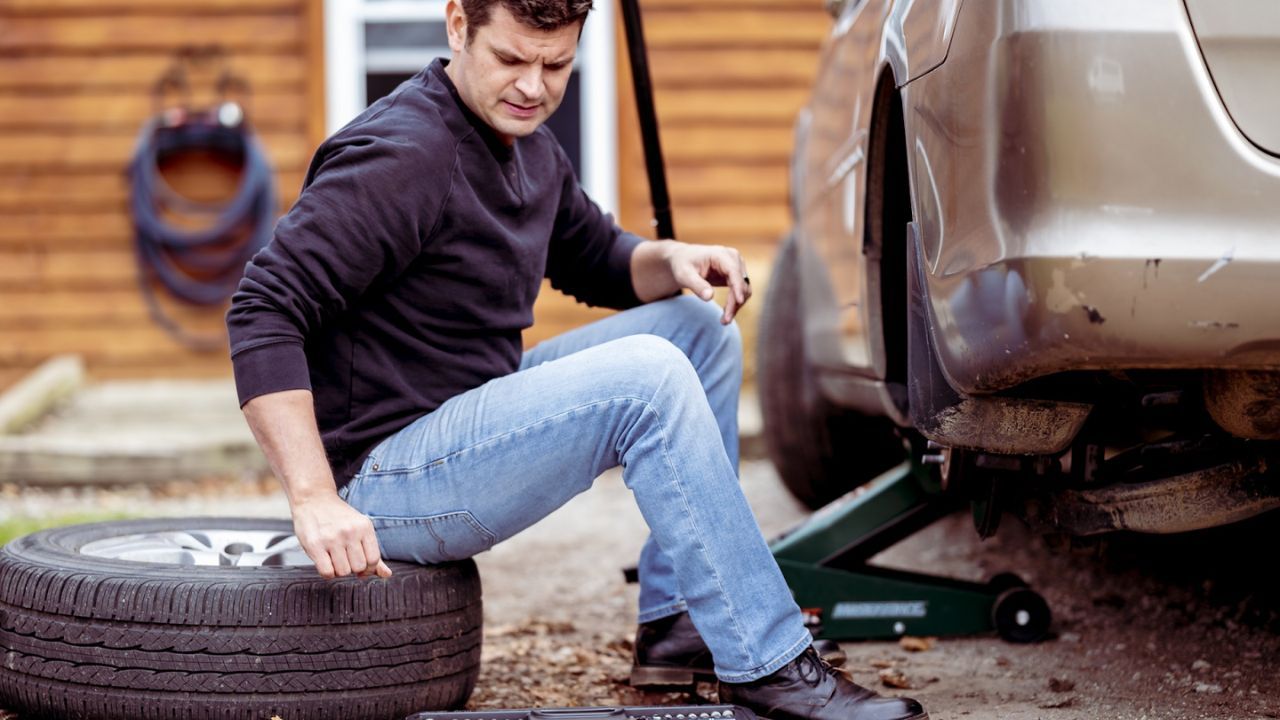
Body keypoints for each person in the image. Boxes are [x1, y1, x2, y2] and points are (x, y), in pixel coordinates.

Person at [227, 0, 927, 718]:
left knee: (698, 326)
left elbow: (598, 260)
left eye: (556, 64)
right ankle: (767, 659)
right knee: (647, 380)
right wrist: (313, 498)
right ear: (458, 27)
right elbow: (262, 309)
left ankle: (680, 623)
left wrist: (677, 259)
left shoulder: (523, 141)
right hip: (382, 478)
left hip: (468, 411)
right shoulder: (404, 155)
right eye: (511, 60)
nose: (534, 86)